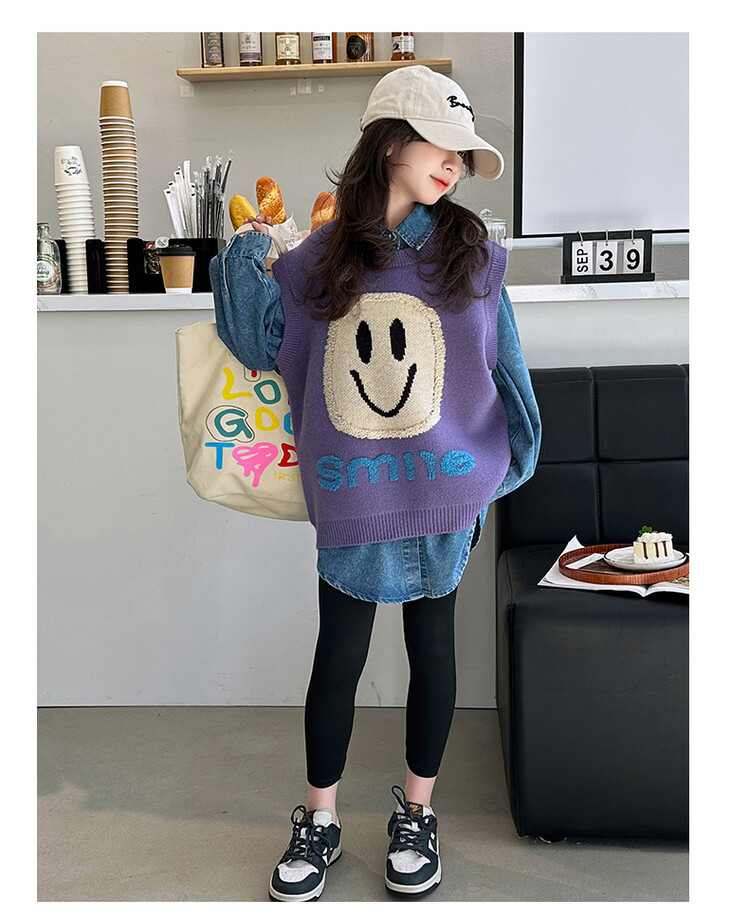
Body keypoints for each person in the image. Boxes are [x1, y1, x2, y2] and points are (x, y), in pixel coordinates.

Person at [209, 65, 541, 902]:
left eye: (465, 153)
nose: (456, 164)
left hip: (445, 486)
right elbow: (255, 341)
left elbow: (505, 369)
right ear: (390, 141)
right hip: (352, 488)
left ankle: (416, 813)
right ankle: (318, 819)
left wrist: (505, 465)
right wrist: (249, 249)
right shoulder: (315, 263)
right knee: (340, 655)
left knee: (432, 650)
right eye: (443, 144)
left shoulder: (472, 256)